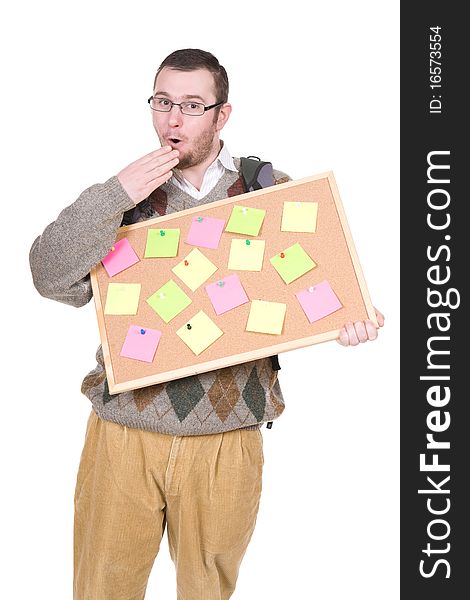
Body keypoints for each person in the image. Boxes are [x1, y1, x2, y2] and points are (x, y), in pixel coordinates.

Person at [29, 48, 384, 600]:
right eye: (163, 101)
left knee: (208, 592)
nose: (173, 118)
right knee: (100, 589)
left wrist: (348, 319)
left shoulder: (268, 190)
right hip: (124, 431)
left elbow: (318, 290)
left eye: (192, 105)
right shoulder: (124, 200)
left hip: (227, 437)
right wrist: (116, 195)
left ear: (223, 115)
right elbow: (50, 276)